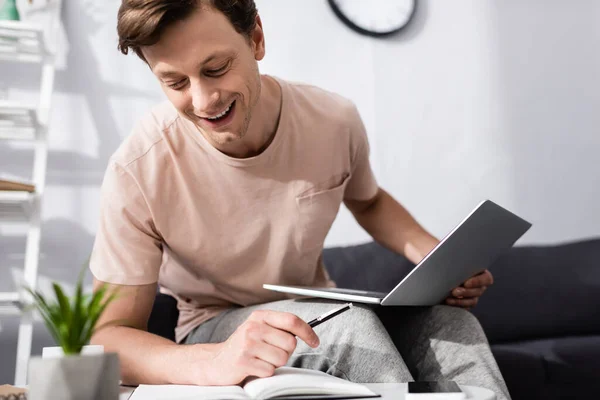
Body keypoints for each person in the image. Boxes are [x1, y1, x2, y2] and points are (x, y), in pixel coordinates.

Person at [90, 1, 510, 399]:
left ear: (256, 38)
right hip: (217, 325)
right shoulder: (139, 168)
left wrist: (435, 259)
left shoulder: (332, 121)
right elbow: (109, 337)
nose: (203, 101)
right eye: (175, 83)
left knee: (454, 327)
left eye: (216, 69)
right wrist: (213, 359)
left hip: (321, 308)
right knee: (346, 330)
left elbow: (368, 201)